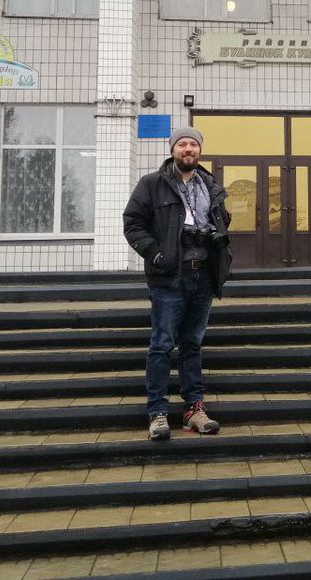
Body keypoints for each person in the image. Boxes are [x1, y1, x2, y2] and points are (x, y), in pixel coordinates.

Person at [123, 126, 232, 440]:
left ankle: (194, 410)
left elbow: (222, 220)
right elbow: (132, 223)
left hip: (203, 276)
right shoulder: (152, 184)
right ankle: (157, 413)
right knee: (161, 346)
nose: (188, 149)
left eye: (193, 145)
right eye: (182, 144)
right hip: (170, 277)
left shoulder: (210, 185)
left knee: (192, 345)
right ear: (172, 150)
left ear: (200, 150)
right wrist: (157, 254)